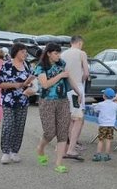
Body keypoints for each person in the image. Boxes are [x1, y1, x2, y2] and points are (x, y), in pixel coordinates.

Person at [34, 43, 82, 174]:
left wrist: (78, 92)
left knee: (62, 132)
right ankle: (40, 147)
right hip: (47, 101)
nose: (58, 55)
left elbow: (69, 77)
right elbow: (45, 85)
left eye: (59, 53)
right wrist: (60, 76)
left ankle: (59, 163)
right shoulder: (41, 67)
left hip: (62, 101)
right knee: (49, 132)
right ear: (49, 53)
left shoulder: (61, 63)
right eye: (56, 53)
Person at [0, 43, 36, 164]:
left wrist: (31, 87)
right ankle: (5, 152)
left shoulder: (27, 65)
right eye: (23, 52)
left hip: (23, 100)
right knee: (8, 125)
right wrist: (15, 85)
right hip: (9, 100)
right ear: (16, 52)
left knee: (19, 126)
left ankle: (15, 151)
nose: (25, 54)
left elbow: (31, 80)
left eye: (26, 52)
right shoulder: (7, 65)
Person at [61, 35, 89, 159]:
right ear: (79, 43)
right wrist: (82, 79)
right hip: (76, 88)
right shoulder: (81, 53)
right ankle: (71, 148)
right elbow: (86, 73)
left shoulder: (62, 54)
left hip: (64, 88)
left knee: (68, 118)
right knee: (77, 119)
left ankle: (64, 147)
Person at [92, 88, 117, 161]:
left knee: (101, 140)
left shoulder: (101, 104)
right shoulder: (115, 105)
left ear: (104, 96)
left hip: (102, 125)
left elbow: (95, 109)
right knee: (108, 140)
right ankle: (107, 155)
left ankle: (98, 154)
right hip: (111, 125)